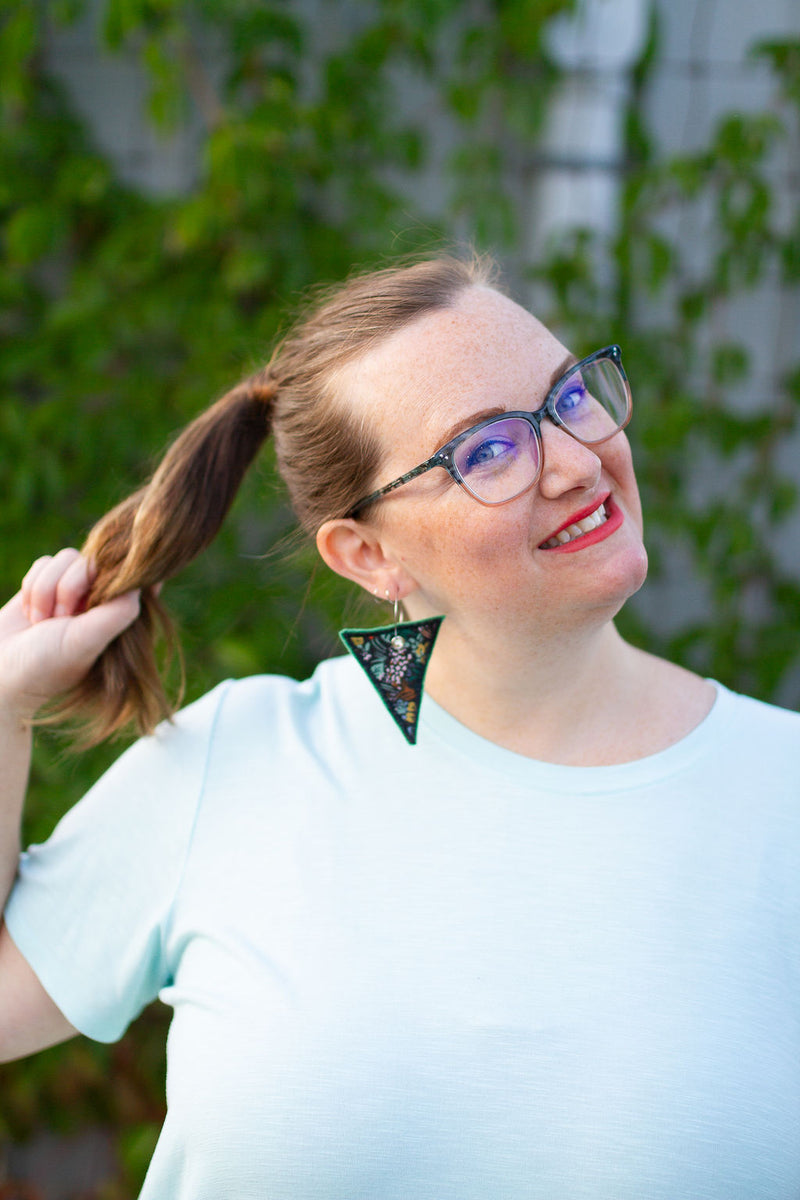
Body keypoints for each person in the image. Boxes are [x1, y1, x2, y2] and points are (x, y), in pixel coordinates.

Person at [1, 254, 799, 1200]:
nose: (581, 461)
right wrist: (5, 710)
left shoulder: (780, 787)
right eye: (489, 451)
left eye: (571, 398)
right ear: (368, 554)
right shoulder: (240, 760)